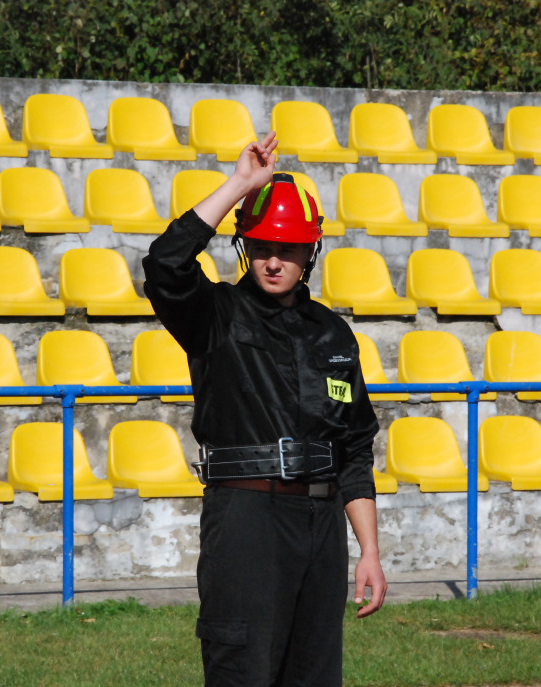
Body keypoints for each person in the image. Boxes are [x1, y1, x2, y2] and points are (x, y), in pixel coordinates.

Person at [142, 131, 387, 687]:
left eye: (289, 249)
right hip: (246, 520)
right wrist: (239, 185)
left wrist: (368, 550)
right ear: (244, 248)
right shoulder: (215, 315)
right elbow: (164, 265)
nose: (274, 261)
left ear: (311, 251)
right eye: (261, 248)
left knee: (315, 674)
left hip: (322, 528)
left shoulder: (333, 333)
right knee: (242, 670)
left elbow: (353, 448)